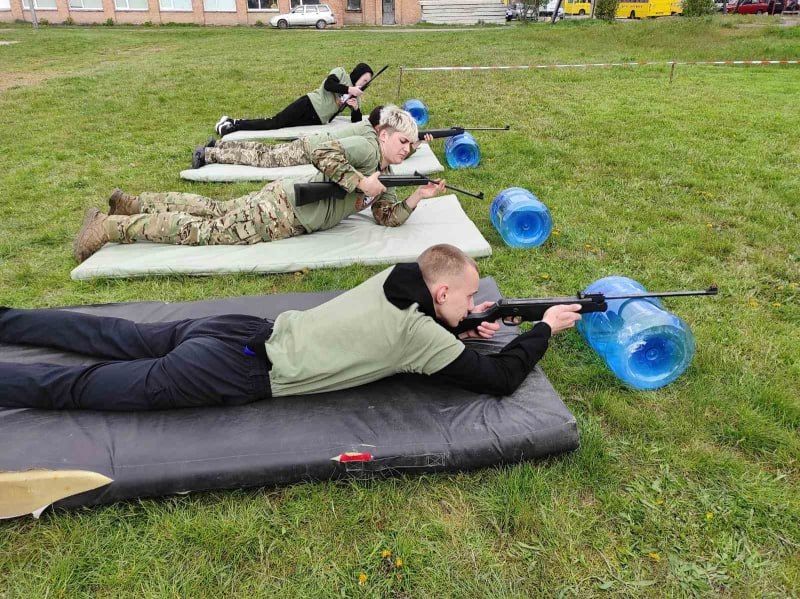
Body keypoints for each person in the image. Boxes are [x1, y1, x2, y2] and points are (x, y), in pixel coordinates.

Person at [0, 244, 583, 410]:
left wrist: (459, 328)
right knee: (84, 387)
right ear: (441, 294)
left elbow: (414, 321)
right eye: (470, 297)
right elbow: (498, 379)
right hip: (232, 368)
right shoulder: (420, 334)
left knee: (115, 336)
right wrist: (544, 329)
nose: (477, 304)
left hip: (234, 328)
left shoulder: (398, 275)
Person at [73, 108, 441, 262]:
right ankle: (109, 227)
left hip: (283, 200)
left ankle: (133, 204)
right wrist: (359, 182)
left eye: (410, 146)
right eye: (402, 141)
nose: (406, 149)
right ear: (385, 134)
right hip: (283, 213)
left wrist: (416, 197)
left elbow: (386, 217)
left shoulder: (385, 171)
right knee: (204, 231)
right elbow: (320, 150)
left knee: (213, 209)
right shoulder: (368, 148)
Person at [192, 105, 434, 170]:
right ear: (382, 130)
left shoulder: (367, 129)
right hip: (311, 148)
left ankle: (217, 147)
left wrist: (415, 144)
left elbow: (395, 149)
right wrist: (414, 145)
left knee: (264, 151)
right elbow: (392, 152)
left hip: (313, 142)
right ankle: (209, 154)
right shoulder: (369, 139)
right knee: (263, 158)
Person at [214, 63, 373, 137]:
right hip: (308, 104)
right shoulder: (341, 73)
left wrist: (356, 109)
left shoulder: (354, 96)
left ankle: (232, 123)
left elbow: (356, 122)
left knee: (281, 126)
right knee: (275, 122)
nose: (364, 84)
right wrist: (349, 89)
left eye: (367, 82)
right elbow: (328, 85)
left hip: (316, 120)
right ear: (358, 74)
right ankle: (233, 124)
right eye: (364, 80)